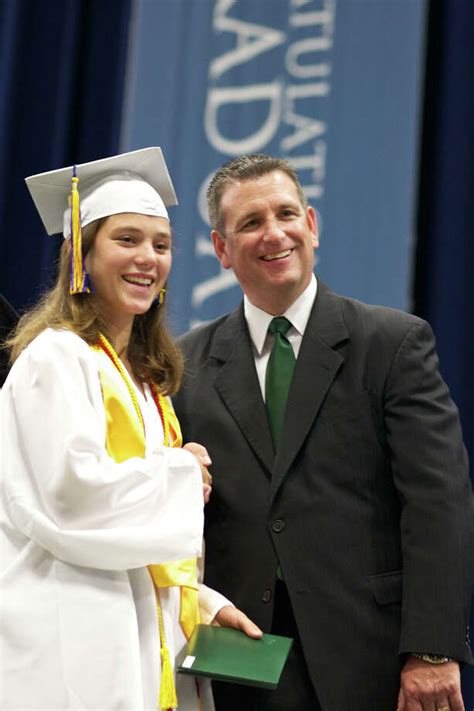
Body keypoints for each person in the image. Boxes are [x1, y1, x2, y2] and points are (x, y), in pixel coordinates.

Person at [172, 154, 473, 711]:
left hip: (373, 657)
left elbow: (439, 502)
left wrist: (432, 649)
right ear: (220, 249)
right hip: (240, 662)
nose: (274, 233)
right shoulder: (184, 365)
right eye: (251, 222)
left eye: (286, 214)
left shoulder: (392, 344)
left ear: (311, 225)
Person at [0, 147, 261, 711]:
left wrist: (203, 600)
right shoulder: (56, 359)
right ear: (81, 255)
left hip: (137, 635)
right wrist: (180, 473)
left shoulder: (145, 383)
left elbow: (136, 532)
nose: (148, 258)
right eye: (126, 239)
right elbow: (74, 500)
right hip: (71, 636)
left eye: (161, 245)